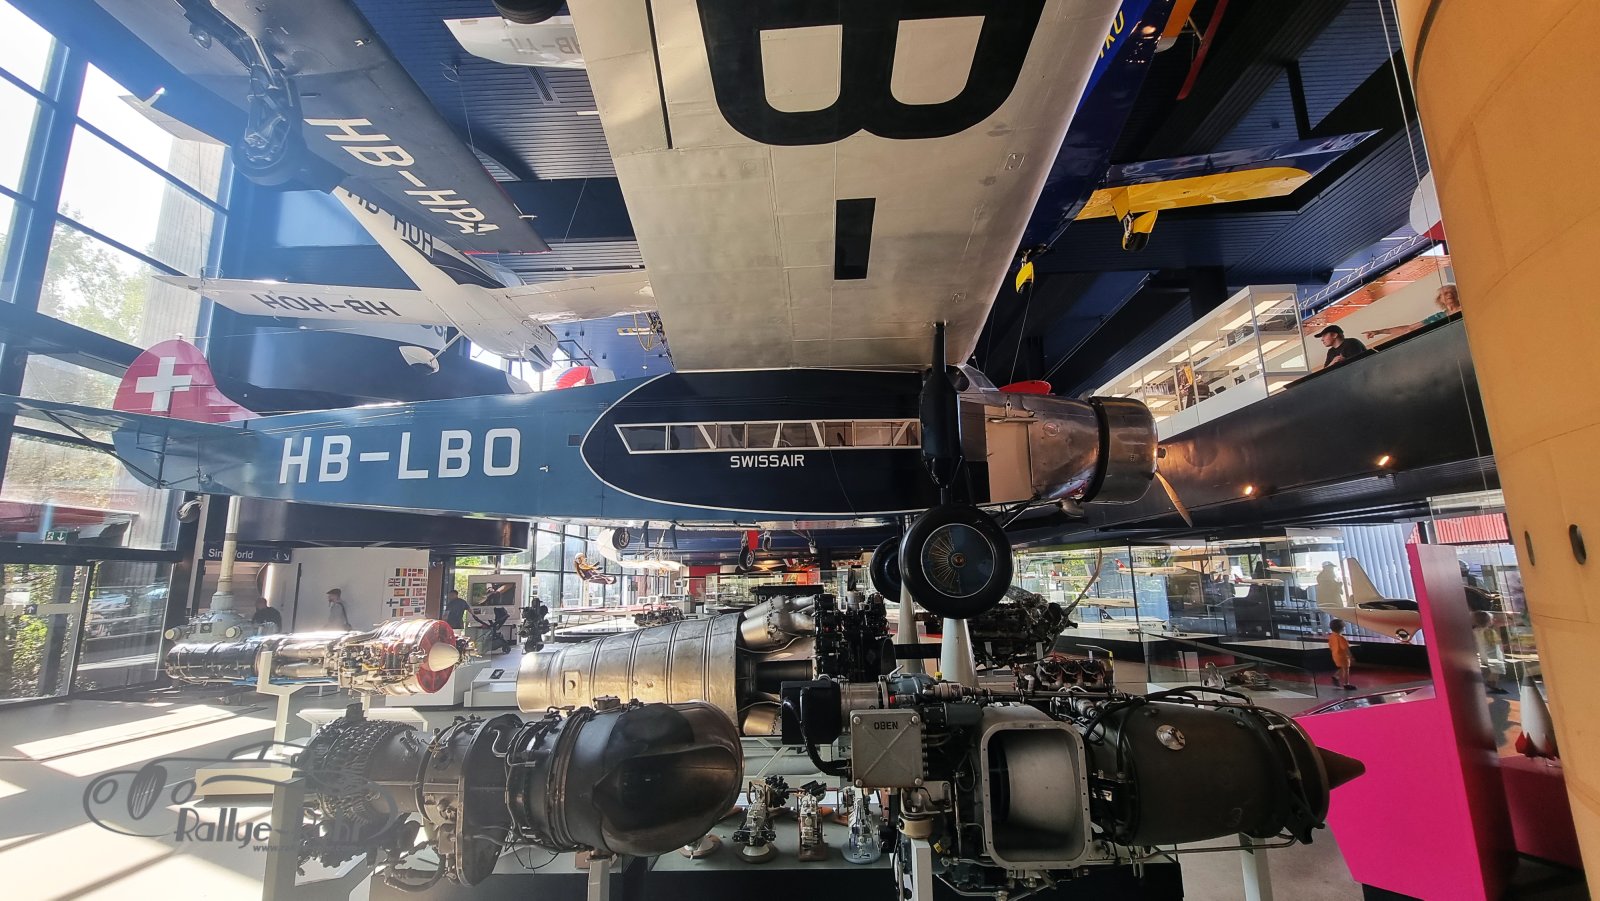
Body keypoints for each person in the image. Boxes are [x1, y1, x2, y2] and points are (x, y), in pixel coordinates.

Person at [1363, 283, 1462, 343]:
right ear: (1440, 299)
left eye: (1452, 292)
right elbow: (1409, 328)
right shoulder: (1438, 317)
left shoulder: (1466, 309)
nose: (1449, 295)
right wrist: (1379, 332)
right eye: (1445, 293)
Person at [1328, 619, 1355, 690]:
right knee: (1346, 670)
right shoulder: (1341, 638)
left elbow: (1330, 646)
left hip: (1335, 655)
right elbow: (1346, 649)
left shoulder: (1331, 636)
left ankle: (1335, 676)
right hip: (1343, 656)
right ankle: (1346, 684)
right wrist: (1351, 657)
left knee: (1343, 667)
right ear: (1342, 628)